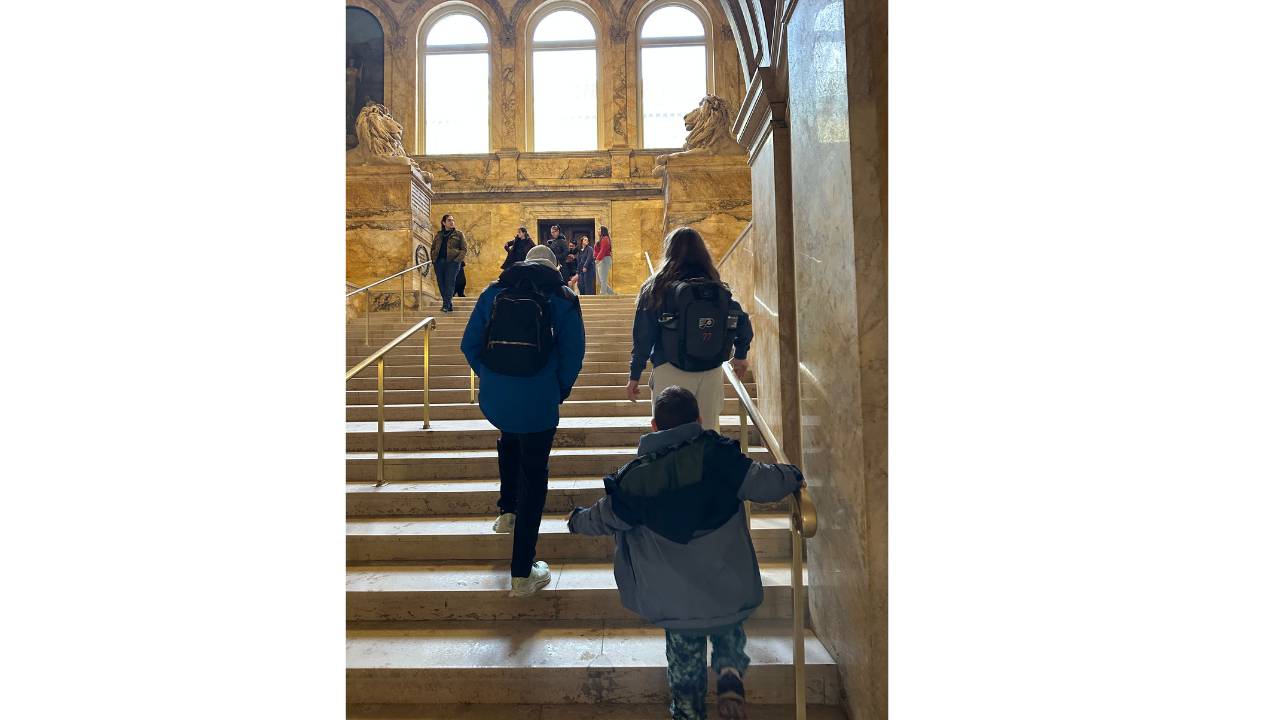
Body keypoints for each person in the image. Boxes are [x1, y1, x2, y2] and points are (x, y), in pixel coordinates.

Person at [567, 385, 805, 720]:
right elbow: (766, 483)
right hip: (727, 587)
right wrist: (792, 475)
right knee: (728, 623)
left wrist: (576, 520)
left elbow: (604, 517)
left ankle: (689, 710)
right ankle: (729, 671)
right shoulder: (721, 456)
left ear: (654, 426)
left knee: (684, 663)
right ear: (699, 419)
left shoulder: (635, 479)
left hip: (675, 601)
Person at [461, 244, 586, 597]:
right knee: (534, 475)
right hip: (539, 396)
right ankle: (522, 572)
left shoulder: (494, 291)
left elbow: (469, 344)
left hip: (498, 397)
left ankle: (507, 512)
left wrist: (493, 377)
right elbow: (574, 353)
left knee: (509, 438)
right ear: (554, 268)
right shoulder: (562, 297)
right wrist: (558, 389)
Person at [627, 227, 754, 433]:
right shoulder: (716, 288)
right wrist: (740, 355)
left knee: (669, 436)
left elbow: (643, 336)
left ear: (669, 251)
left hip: (669, 367)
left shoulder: (657, 287)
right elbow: (742, 321)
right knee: (708, 434)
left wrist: (635, 375)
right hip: (710, 369)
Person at [430, 214, 467, 312]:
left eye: (453, 220)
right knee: (441, 284)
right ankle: (448, 304)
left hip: (452, 262)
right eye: (449, 220)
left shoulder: (459, 234)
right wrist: (434, 260)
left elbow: (464, 249)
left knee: (449, 283)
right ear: (444, 223)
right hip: (439, 262)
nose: (452, 222)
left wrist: (457, 260)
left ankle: (445, 305)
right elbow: (433, 248)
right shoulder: (438, 235)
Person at [595, 225, 615, 295]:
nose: (598, 231)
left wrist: (598, 259)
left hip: (605, 259)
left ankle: (602, 295)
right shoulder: (602, 239)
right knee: (600, 280)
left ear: (603, 231)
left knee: (603, 279)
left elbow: (603, 250)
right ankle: (612, 294)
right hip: (602, 259)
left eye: (599, 229)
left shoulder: (605, 238)